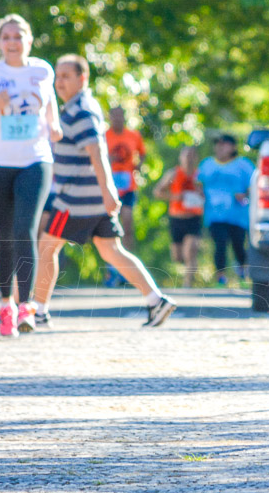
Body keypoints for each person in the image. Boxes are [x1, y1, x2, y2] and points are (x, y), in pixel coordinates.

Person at [32, 55, 177, 328]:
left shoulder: (81, 111)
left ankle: (38, 311)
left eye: (66, 76)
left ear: (82, 78)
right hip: (93, 198)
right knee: (111, 250)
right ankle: (156, 301)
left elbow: (97, 152)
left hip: (75, 200)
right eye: (57, 77)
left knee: (46, 246)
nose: (59, 82)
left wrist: (109, 190)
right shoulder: (81, 106)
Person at [0, 13, 61, 337]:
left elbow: (50, 109)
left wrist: (55, 127)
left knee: (25, 229)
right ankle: (6, 304)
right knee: (4, 235)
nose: (12, 42)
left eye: (18, 36)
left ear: (29, 40)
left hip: (35, 160)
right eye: (6, 37)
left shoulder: (42, 70)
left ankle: (27, 307)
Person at [197, 134, 253, 285]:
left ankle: (242, 272)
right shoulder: (207, 164)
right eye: (218, 144)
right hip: (214, 215)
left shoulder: (243, 165)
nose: (220, 147)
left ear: (233, 147)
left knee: (238, 245)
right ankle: (220, 278)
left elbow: (254, 185)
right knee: (219, 244)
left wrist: (245, 194)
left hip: (238, 215)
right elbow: (197, 184)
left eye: (224, 144)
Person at [154, 147, 203, 288]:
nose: (188, 158)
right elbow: (158, 191)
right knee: (178, 256)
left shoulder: (200, 176)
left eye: (191, 155)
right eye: (186, 155)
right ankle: (188, 266)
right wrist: (176, 197)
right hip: (177, 218)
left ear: (196, 158)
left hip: (194, 217)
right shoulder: (173, 174)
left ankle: (188, 283)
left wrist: (201, 195)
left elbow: (209, 194)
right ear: (180, 158)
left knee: (191, 250)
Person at [105, 105, 146, 254]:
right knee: (108, 224)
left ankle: (128, 256)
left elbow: (142, 153)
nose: (117, 119)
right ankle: (111, 262)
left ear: (124, 117)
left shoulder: (133, 135)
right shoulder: (104, 136)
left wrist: (139, 165)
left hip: (128, 185)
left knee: (127, 221)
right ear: (109, 118)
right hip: (109, 185)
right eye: (114, 116)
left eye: (119, 115)